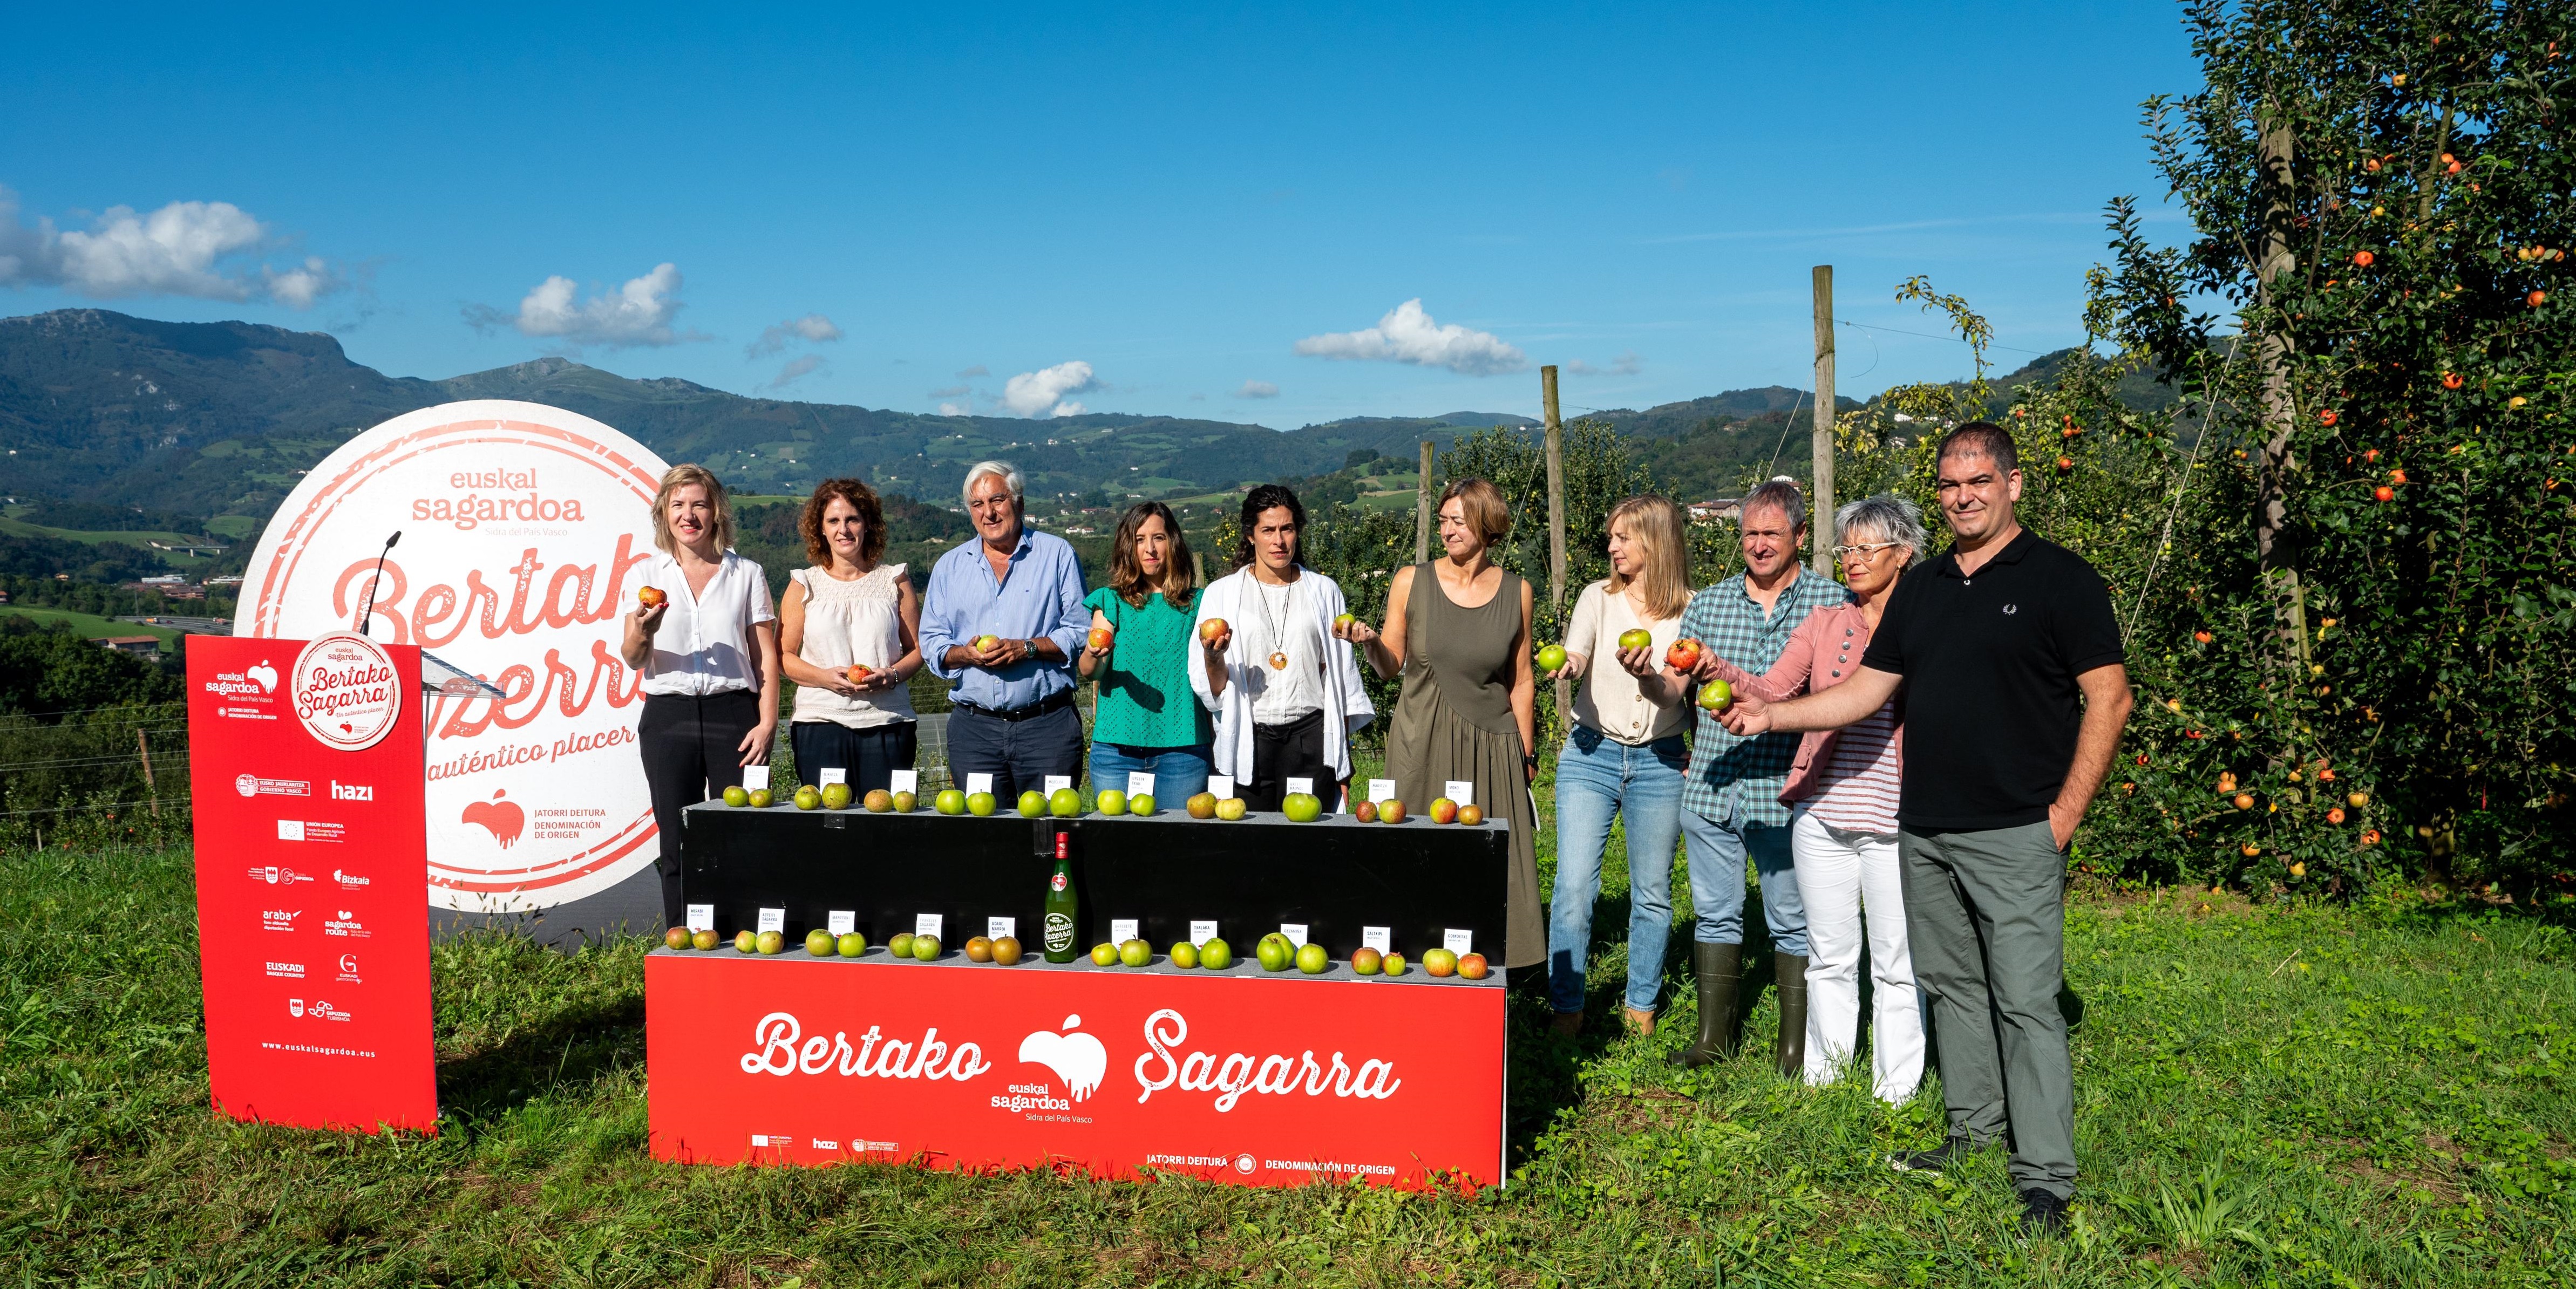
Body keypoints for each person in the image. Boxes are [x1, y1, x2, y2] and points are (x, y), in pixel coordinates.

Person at [1719, 424, 2132, 1234]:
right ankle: (1972, 1135)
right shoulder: (1926, 587)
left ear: (2013, 484)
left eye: (1978, 480)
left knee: (2025, 999)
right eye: (1948, 484)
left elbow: (2109, 698)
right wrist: (1772, 712)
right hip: (1925, 828)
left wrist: (2064, 816)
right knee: (1951, 988)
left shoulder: (2060, 580)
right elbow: (1863, 693)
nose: (1962, 496)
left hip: (2018, 828)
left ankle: (2044, 1174)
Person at [1698, 493, 1927, 1103]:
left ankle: (1896, 1090)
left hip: (1897, 816)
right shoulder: (1828, 623)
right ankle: (1824, 1082)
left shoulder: (1930, 620)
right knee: (1828, 955)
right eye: (1845, 548)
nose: (1851, 559)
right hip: (1823, 814)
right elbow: (1772, 687)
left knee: (1896, 962)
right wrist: (1712, 665)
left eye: (1864, 548)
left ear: (1902, 554)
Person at [1664, 478, 1851, 1073]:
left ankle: (1793, 1051)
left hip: (1788, 789)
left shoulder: (1833, 602)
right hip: (1713, 785)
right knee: (1716, 912)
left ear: (1800, 534)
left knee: (1793, 922)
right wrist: (1648, 675)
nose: (1760, 544)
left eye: (1772, 533)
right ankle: (1711, 1039)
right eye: (1750, 533)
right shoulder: (1709, 604)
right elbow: (1675, 688)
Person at [1348, 479, 1541, 973]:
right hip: (1421, 739)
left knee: (1486, 862)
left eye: (1458, 520)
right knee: (1412, 854)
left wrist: (1526, 751)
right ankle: (1406, 963)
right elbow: (1390, 665)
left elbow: (1521, 682)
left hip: (1492, 745)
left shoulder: (1518, 592)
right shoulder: (1411, 581)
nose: (1447, 529)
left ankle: (1495, 968)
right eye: (1443, 520)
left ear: (1486, 523)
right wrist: (1370, 641)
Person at [1542, 495, 1694, 1038]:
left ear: (1654, 540)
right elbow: (1577, 652)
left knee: (1652, 891)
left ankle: (1641, 1008)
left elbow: (1673, 695)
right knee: (1575, 886)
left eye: (1622, 537)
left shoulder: (1688, 611)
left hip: (1661, 760)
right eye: (1612, 537)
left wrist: (1647, 677)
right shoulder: (1597, 598)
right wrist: (1570, 664)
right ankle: (1567, 1008)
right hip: (1592, 753)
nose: (1611, 547)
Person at [622, 463, 779, 927]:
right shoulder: (645, 573)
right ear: (663, 513)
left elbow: (765, 657)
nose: (688, 515)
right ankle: (684, 938)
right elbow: (632, 657)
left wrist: (767, 722)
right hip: (667, 718)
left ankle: (746, 936)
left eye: (698, 505)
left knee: (744, 832)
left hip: (735, 714)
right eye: (678, 505)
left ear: (715, 513)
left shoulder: (746, 573)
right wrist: (644, 630)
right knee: (676, 841)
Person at [1191, 485, 1374, 812]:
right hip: (1251, 740)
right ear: (1251, 535)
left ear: (1297, 532)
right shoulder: (1222, 595)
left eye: (1287, 529)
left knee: (1308, 848)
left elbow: (1339, 678)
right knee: (1252, 849)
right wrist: (1213, 656)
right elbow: (1215, 689)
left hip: (1310, 740)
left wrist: (1343, 763)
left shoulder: (1323, 591)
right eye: (1268, 530)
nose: (1279, 540)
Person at [916, 461, 1090, 802]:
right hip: (975, 732)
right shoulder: (949, 567)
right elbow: (932, 642)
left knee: (1051, 831)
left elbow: (1079, 631)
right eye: (978, 505)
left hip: (1047, 728)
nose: (989, 513)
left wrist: (1027, 648)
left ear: (1019, 503)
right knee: (986, 838)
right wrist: (964, 654)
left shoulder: (1057, 555)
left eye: (998, 500)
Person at [777, 478, 922, 795]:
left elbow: (917, 651)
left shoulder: (894, 581)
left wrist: (891, 675)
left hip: (888, 722)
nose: (844, 529)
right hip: (820, 724)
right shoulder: (804, 584)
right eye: (834, 521)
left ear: (868, 524)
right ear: (821, 529)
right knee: (830, 828)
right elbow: (782, 657)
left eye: (852, 519)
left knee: (886, 824)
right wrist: (823, 678)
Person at [1078, 501, 1215, 801]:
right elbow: (1091, 671)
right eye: (1140, 540)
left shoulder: (1200, 604)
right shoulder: (1110, 601)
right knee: (1119, 847)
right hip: (1116, 753)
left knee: (1176, 845)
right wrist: (1093, 654)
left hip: (1184, 752)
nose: (1150, 549)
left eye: (1159, 538)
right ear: (1129, 547)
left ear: (1173, 543)